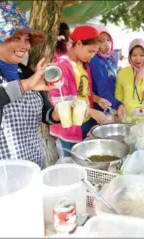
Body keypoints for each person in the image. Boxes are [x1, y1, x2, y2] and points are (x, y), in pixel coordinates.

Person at [0, 1, 60, 169]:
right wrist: (26, 85)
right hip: (2, 175)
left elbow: (46, 115)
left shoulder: (25, 72)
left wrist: (58, 114)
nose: (25, 46)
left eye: (27, 39)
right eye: (16, 38)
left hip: (35, 167)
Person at [49, 25, 107, 157]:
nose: (92, 56)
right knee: (72, 163)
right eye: (90, 51)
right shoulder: (62, 65)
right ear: (79, 44)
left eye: (94, 53)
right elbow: (60, 102)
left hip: (85, 122)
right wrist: (90, 111)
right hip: (69, 127)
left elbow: (82, 93)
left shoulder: (82, 65)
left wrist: (97, 99)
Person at [115, 38, 144, 123]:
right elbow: (118, 95)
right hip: (127, 121)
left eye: (142, 55)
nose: (138, 59)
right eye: (134, 55)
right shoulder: (122, 73)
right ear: (129, 56)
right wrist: (119, 107)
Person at [89, 27, 126, 120]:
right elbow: (103, 90)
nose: (106, 44)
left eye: (108, 40)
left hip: (110, 105)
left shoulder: (110, 59)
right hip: (101, 109)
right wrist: (118, 104)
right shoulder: (95, 61)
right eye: (101, 41)